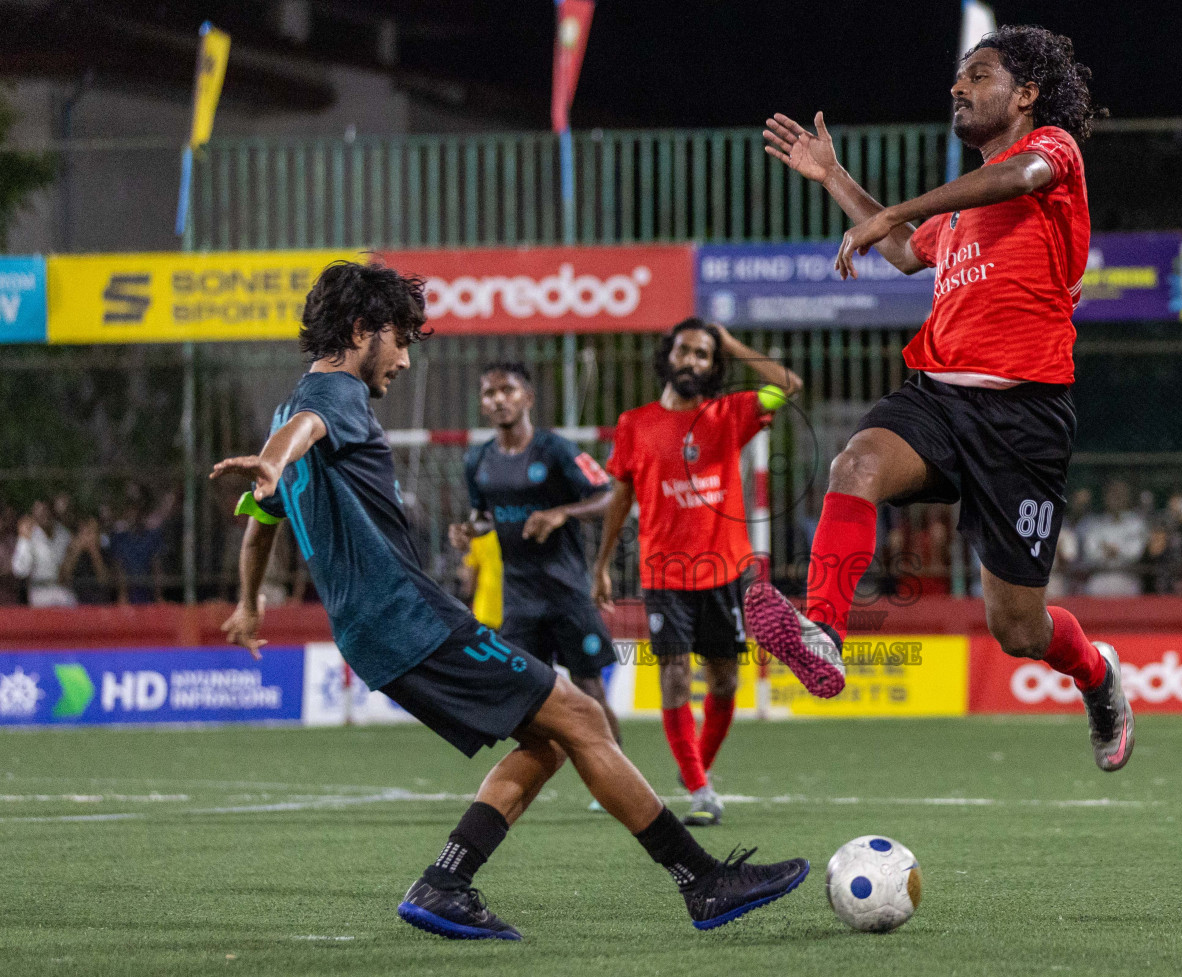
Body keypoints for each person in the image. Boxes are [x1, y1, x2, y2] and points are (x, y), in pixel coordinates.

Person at [211, 261, 806, 941]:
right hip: (411, 617)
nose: (405, 359)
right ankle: (701, 880)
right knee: (583, 715)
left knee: (552, 738)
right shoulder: (333, 397)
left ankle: (446, 884)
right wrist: (275, 456)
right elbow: (307, 431)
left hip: (374, 632)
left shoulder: (291, 405)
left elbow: (261, 522)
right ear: (360, 330)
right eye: (401, 338)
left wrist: (250, 600)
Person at [753, 25, 1133, 771]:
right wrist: (834, 177)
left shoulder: (1053, 154)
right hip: (937, 399)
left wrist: (896, 210)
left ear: (1025, 94)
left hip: (1025, 419)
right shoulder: (956, 214)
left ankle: (1099, 676)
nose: (958, 89)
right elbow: (897, 250)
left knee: (1018, 629)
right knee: (855, 464)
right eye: (958, 80)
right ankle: (823, 631)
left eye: (978, 76)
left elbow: (1017, 176)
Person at [592, 318, 802, 826]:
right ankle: (702, 788)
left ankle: (695, 776)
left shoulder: (732, 413)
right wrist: (600, 564)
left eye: (704, 355)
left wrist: (731, 341)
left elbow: (788, 386)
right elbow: (621, 496)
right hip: (663, 574)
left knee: (726, 683)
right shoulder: (634, 424)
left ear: (714, 366)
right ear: (668, 356)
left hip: (726, 572)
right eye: (685, 351)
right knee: (675, 678)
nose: (691, 361)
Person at [451, 361, 621, 814]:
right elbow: (483, 515)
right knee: (525, 699)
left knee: (590, 690)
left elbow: (609, 494)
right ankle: (528, 783)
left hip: (567, 594)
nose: (498, 399)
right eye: (489, 393)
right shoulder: (478, 460)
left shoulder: (557, 451)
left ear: (527, 397)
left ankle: (618, 784)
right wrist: (470, 529)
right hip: (520, 602)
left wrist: (562, 513)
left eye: (507, 390)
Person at [1078, 479, 1147, 597]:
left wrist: (1114, 550)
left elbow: (1135, 553)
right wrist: (1116, 551)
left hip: (1127, 578)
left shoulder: (1136, 523)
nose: (1117, 498)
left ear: (1127, 497)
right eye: (1113, 494)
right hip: (1100, 577)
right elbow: (1091, 554)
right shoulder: (1095, 523)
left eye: (1121, 494)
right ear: (1106, 496)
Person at [11, 498, 75, 607]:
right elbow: (20, 571)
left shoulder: (64, 534)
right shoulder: (28, 536)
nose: (43, 515)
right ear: (34, 514)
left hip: (62, 589)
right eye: (39, 512)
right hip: (38, 591)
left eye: (46, 511)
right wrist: (24, 540)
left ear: (52, 512)